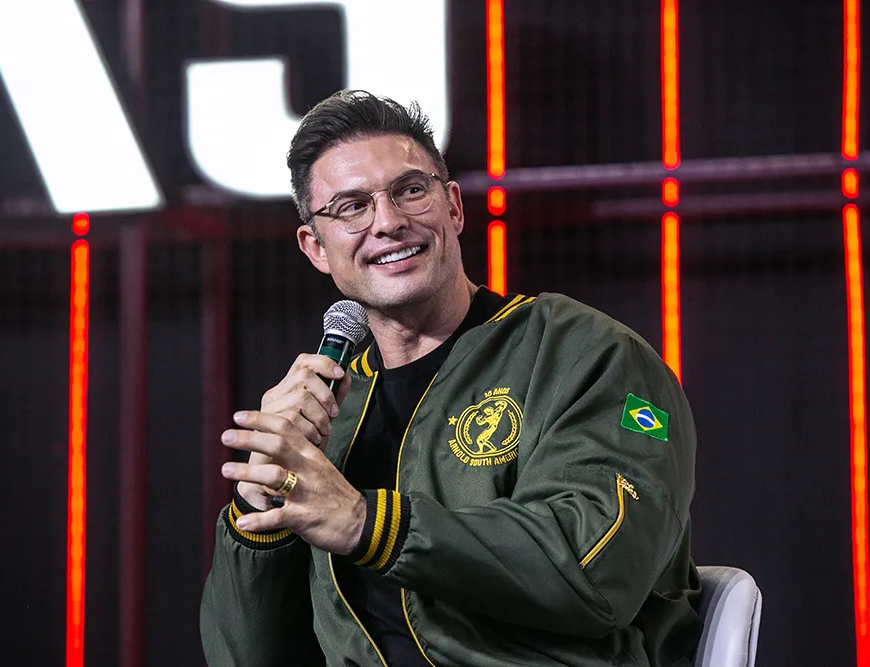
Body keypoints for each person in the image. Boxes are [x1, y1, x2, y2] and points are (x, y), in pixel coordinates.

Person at [200, 90, 702, 667]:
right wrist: (258, 512)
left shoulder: (586, 355)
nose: (388, 222)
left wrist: (367, 524)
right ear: (315, 248)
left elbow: (596, 572)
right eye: (352, 207)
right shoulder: (329, 412)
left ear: (454, 208)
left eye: (410, 191)